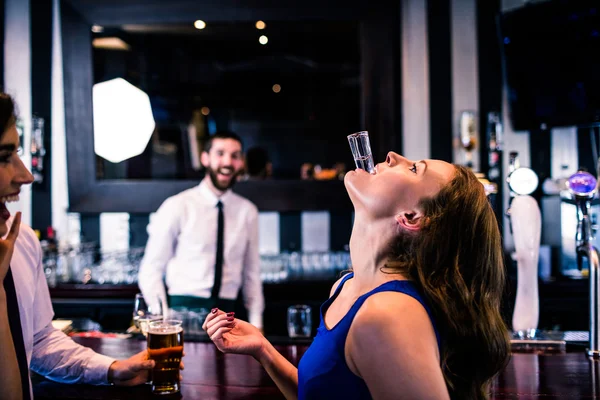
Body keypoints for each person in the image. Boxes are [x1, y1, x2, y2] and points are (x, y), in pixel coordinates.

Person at [203, 152, 511, 399]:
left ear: (412, 217)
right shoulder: (346, 286)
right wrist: (264, 349)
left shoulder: (388, 314)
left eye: (415, 169)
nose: (392, 156)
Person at [0, 93, 179, 400]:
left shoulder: (24, 241)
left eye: (18, 154)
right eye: (4, 157)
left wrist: (110, 369)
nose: (25, 175)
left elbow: (39, 341)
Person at [138, 131, 264, 329]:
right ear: (205, 158)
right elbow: (151, 269)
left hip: (229, 315)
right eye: (220, 153)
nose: (228, 162)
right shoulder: (177, 205)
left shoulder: (248, 211)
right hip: (182, 313)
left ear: (241, 163)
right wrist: (162, 320)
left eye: (235, 155)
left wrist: (257, 324)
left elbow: (252, 273)